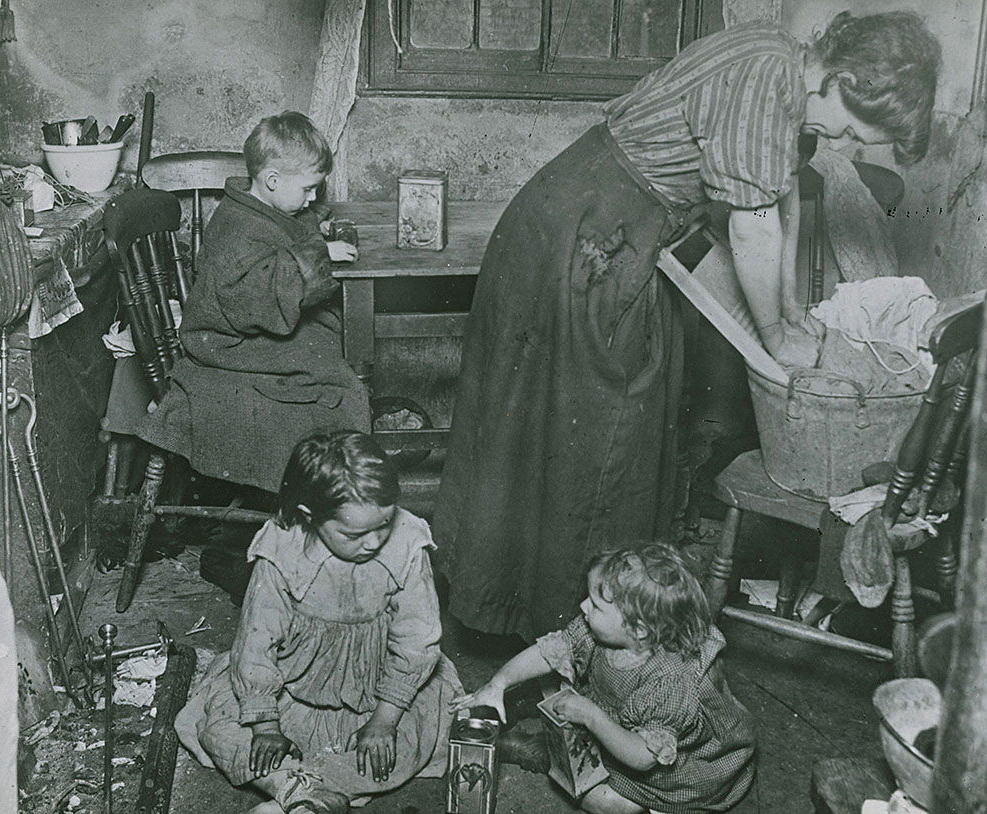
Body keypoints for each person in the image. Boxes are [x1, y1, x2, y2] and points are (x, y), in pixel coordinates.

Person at [434, 11, 941, 640]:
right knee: (592, 438)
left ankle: (599, 624)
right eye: (853, 130)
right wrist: (779, 339)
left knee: (614, 433)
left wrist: (787, 320)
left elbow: (777, 204)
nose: (843, 144)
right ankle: (560, 626)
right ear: (843, 78)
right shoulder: (766, 73)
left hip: (617, 232)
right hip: (585, 237)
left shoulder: (784, 71)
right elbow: (751, 224)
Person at [174, 430, 463, 814]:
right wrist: (265, 727)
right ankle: (300, 789)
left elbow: (418, 642)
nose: (374, 542)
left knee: (422, 731)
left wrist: (384, 721)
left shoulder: (407, 542)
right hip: (291, 691)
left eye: (384, 524)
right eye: (354, 533)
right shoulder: (282, 546)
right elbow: (256, 644)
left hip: (377, 695)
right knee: (217, 726)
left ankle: (303, 789)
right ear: (311, 517)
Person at [138, 111, 368, 501]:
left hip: (245, 342)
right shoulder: (235, 226)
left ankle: (329, 493)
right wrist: (319, 252)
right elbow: (253, 294)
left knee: (332, 363)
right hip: (226, 349)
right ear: (273, 181)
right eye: (309, 189)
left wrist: (316, 228)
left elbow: (284, 236)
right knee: (334, 389)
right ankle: (324, 497)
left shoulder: (264, 205)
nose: (313, 199)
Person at [454, 544, 755, 813]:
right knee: (551, 671)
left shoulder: (670, 684)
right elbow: (548, 652)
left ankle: (545, 753)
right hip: (616, 712)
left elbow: (643, 758)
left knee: (601, 800)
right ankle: (540, 718)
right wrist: (498, 682)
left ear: (639, 630)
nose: (584, 607)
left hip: (671, 766)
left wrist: (590, 715)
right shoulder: (602, 630)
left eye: (596, 605)